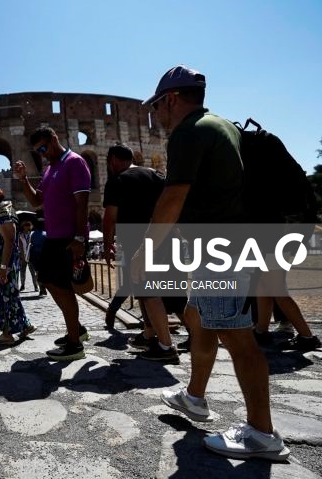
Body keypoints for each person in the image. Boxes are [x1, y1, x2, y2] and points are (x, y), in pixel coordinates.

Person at [132, 65, 289, 461]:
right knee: (196, 314)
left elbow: (172, 198)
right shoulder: (222, 125)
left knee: (238, 336)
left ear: (170, 100)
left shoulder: (188, 133)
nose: (156, 116)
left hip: (219, 248)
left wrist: (144, 252)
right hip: (225, 243)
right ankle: (195, 397)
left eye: (156, 107)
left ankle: (262, 435)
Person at [13, 127, 91, 361]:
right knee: (46, 279)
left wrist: (79, 238)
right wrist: (23, 179)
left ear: (55, 139)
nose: (43, 154)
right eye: (38, 151)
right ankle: (77, 329)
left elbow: (82, 204)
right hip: (53, 236)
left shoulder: (74, 162)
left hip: (69, 238)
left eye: (44, 148)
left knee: (63, 287)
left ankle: (75, 343)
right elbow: (37, 202)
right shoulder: (49, 169)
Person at [102, 143, 181, 363]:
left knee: (149, 292)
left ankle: (166, 346)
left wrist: (109, 244)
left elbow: (109, 218)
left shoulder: (117, 181)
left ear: (113, 160)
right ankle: (151, 335)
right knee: (173, 291)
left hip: (137, 240)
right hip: (167, 236)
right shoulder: (157, 175)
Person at [0, 184, 36, 346]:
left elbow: (9, 241)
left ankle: (6, 334)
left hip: (1, 265)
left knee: (2, 297)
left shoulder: (4, 212)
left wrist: (3, 268)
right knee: (10, 296)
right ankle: (25, 325)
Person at [18, 221, 39, 292]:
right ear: (23, 226)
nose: (28, 227)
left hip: (31, 255)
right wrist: (21, 255)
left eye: (29, 226)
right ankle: (22, 285)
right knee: (22, 271)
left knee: (33, 272)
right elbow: (19, 245)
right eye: (26, 225)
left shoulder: (32, 234)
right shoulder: (20, 235)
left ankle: (36, 286)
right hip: (23, 255)